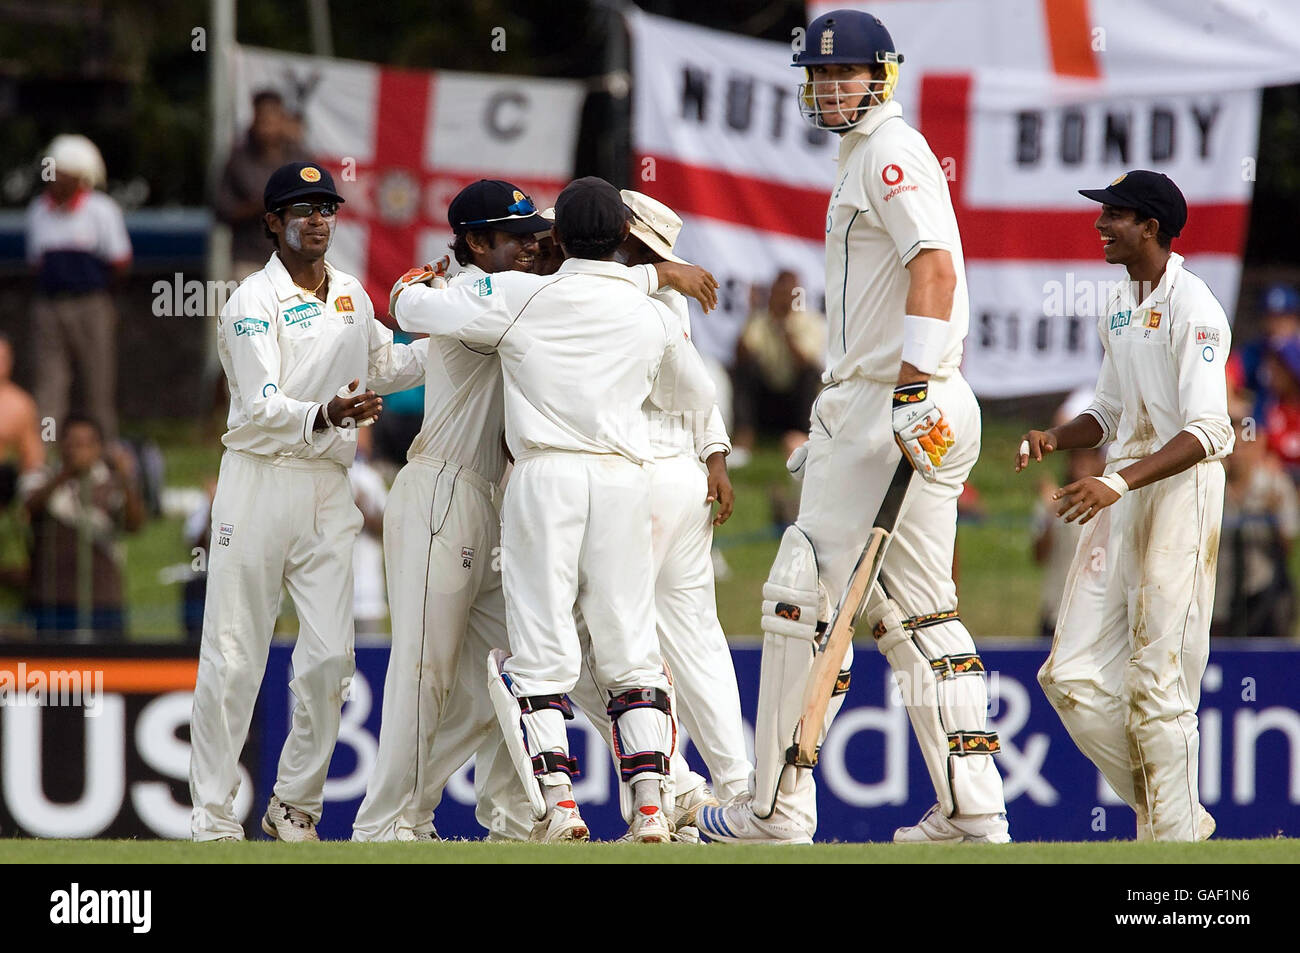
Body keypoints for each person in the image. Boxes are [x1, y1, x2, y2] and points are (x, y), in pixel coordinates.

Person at [697, 9, 1008, 845]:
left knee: (801, 597)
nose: (834, 86)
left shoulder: (889, 152)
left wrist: (907, 392)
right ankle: (974, 809)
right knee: (920, 613)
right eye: (822, 75)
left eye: (851, 73)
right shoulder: (863, 155)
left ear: (883, 76)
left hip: (891, 402)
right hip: (925, 400)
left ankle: (775, 810)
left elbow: (935, 268)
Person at [391, 176, 718, 843]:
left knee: (541, 651)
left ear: (559, 238)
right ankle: (652, 808)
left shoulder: (521, 293)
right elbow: (694, 390)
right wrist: (655, 287)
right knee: (631, 650)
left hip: (546, 478)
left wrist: (407, 286)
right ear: (623, 237)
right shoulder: (650, 310)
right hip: (624, 479)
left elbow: (413, 314)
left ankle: (561, 804)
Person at [188, 161, 426, 842]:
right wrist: (325, 410)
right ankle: (211, 814)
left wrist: (462, 335)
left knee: (329, 657)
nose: (318, 218)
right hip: (260, 478)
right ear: (272, 222)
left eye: (326, 206)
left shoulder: (351, 293)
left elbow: (389, 363)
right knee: (234, 654)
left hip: (327, 485)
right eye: (302, 207)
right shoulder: (249, 303)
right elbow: (260, 407)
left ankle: (295, 806)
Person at [1023, 170, 1231, 841]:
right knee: (1070, 676)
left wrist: (1116, 481)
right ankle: (1171, 813)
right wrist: (1057, 436)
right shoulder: (1119, 302)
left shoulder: (1194, 306)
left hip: (1181, 490)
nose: (1100, 224)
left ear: (1152, 226)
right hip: (1124, 485)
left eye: (1114, 214)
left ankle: (1169, 838)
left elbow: (1209, 431)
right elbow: (1109, 411)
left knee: (1159, 680)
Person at [352, 178, 551, 843]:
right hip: (442, 493)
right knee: (422, 671)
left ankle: (484, 815)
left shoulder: (488, 299)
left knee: (509, 663)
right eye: (515, 237)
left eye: (533, 234)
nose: (530, 246)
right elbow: (409, 308)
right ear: (475, 241)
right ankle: (386, 823)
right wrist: (412, 284)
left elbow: (413, 342)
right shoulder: (468, 296)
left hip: (486, 501)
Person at [25, 135, 131, 443]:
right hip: (49, 306)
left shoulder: (101, 210)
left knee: (98, 383)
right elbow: (35, 263)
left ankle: (105, 453)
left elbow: (120, 261)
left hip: (91, 305)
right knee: (49, 385)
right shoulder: (38, 211)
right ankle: (45, 454)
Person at [24, 414, 144, 641]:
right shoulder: (43, 476)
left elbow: (135, 524)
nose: (80, 451)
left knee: (107, 671)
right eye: (73, 443)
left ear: (99, 448)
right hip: (54, 599)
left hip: (103, 599)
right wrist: (66, 473)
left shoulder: (110, 483)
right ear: (61, 445)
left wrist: (126, 477)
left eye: (88, 444)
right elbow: (29, 509)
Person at [1213, 405, 1297, 638]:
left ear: (1258, 445)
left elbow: (1288, 544)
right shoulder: (1211, 487)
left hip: (1262, 591)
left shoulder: (1275, 486)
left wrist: (1273, 515)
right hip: (1218, 592)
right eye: (1232, 447)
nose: (1237, 454)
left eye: (1243, 446)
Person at [731, 270, 826, 455]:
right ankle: (744, 437)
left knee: (809, 375)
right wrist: (751, 314)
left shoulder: (810, 320)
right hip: (767, 400)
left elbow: (804, 362)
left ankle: (800, 437)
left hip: (795, 402)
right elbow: (741, 356)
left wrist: (785, 327)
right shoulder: (761, 319)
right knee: (744, 370)